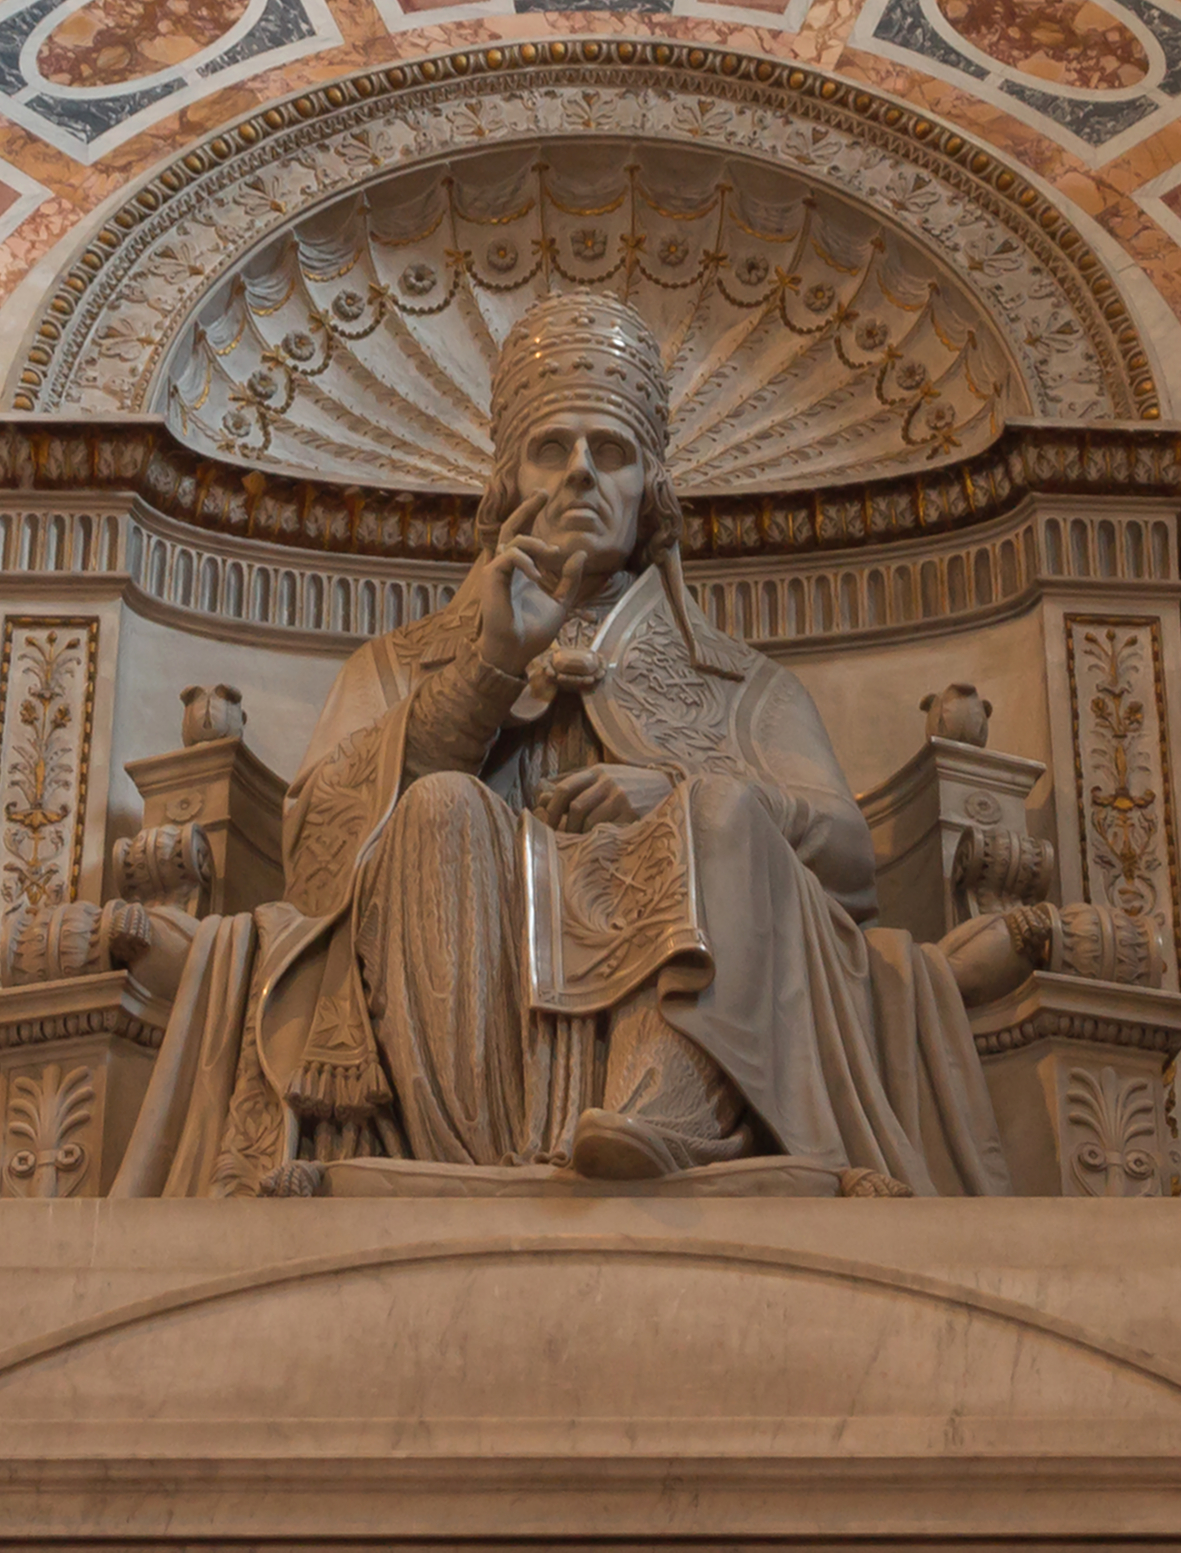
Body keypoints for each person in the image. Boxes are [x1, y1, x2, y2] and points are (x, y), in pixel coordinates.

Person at [111, 293, 1010, 1196]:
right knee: (438, 807)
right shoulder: (398, 665)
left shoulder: (744, 683)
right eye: (553, 448)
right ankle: (473, 1164)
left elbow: (852, 865)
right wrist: (488, 672)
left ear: (650, 490)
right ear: (509, 484)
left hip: (676, 1013)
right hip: (465, 1006)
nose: (581, 472)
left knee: (726, 804)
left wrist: (679, 794)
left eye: (611, 451)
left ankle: (671, 1116)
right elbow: (319, 862)